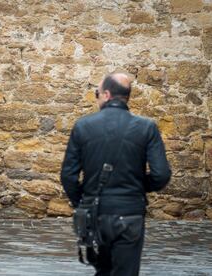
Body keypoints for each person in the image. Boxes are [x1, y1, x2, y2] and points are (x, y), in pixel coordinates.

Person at [60, 73, 171, 276]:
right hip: (130, 213)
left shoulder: (83, 126)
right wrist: (137, 186)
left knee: (102, 271)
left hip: (95, 213)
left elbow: (68, 176)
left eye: (97, 93)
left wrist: (83, 201)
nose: (97, 98)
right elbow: (161, 175)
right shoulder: (147, 128)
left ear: (107, 95)